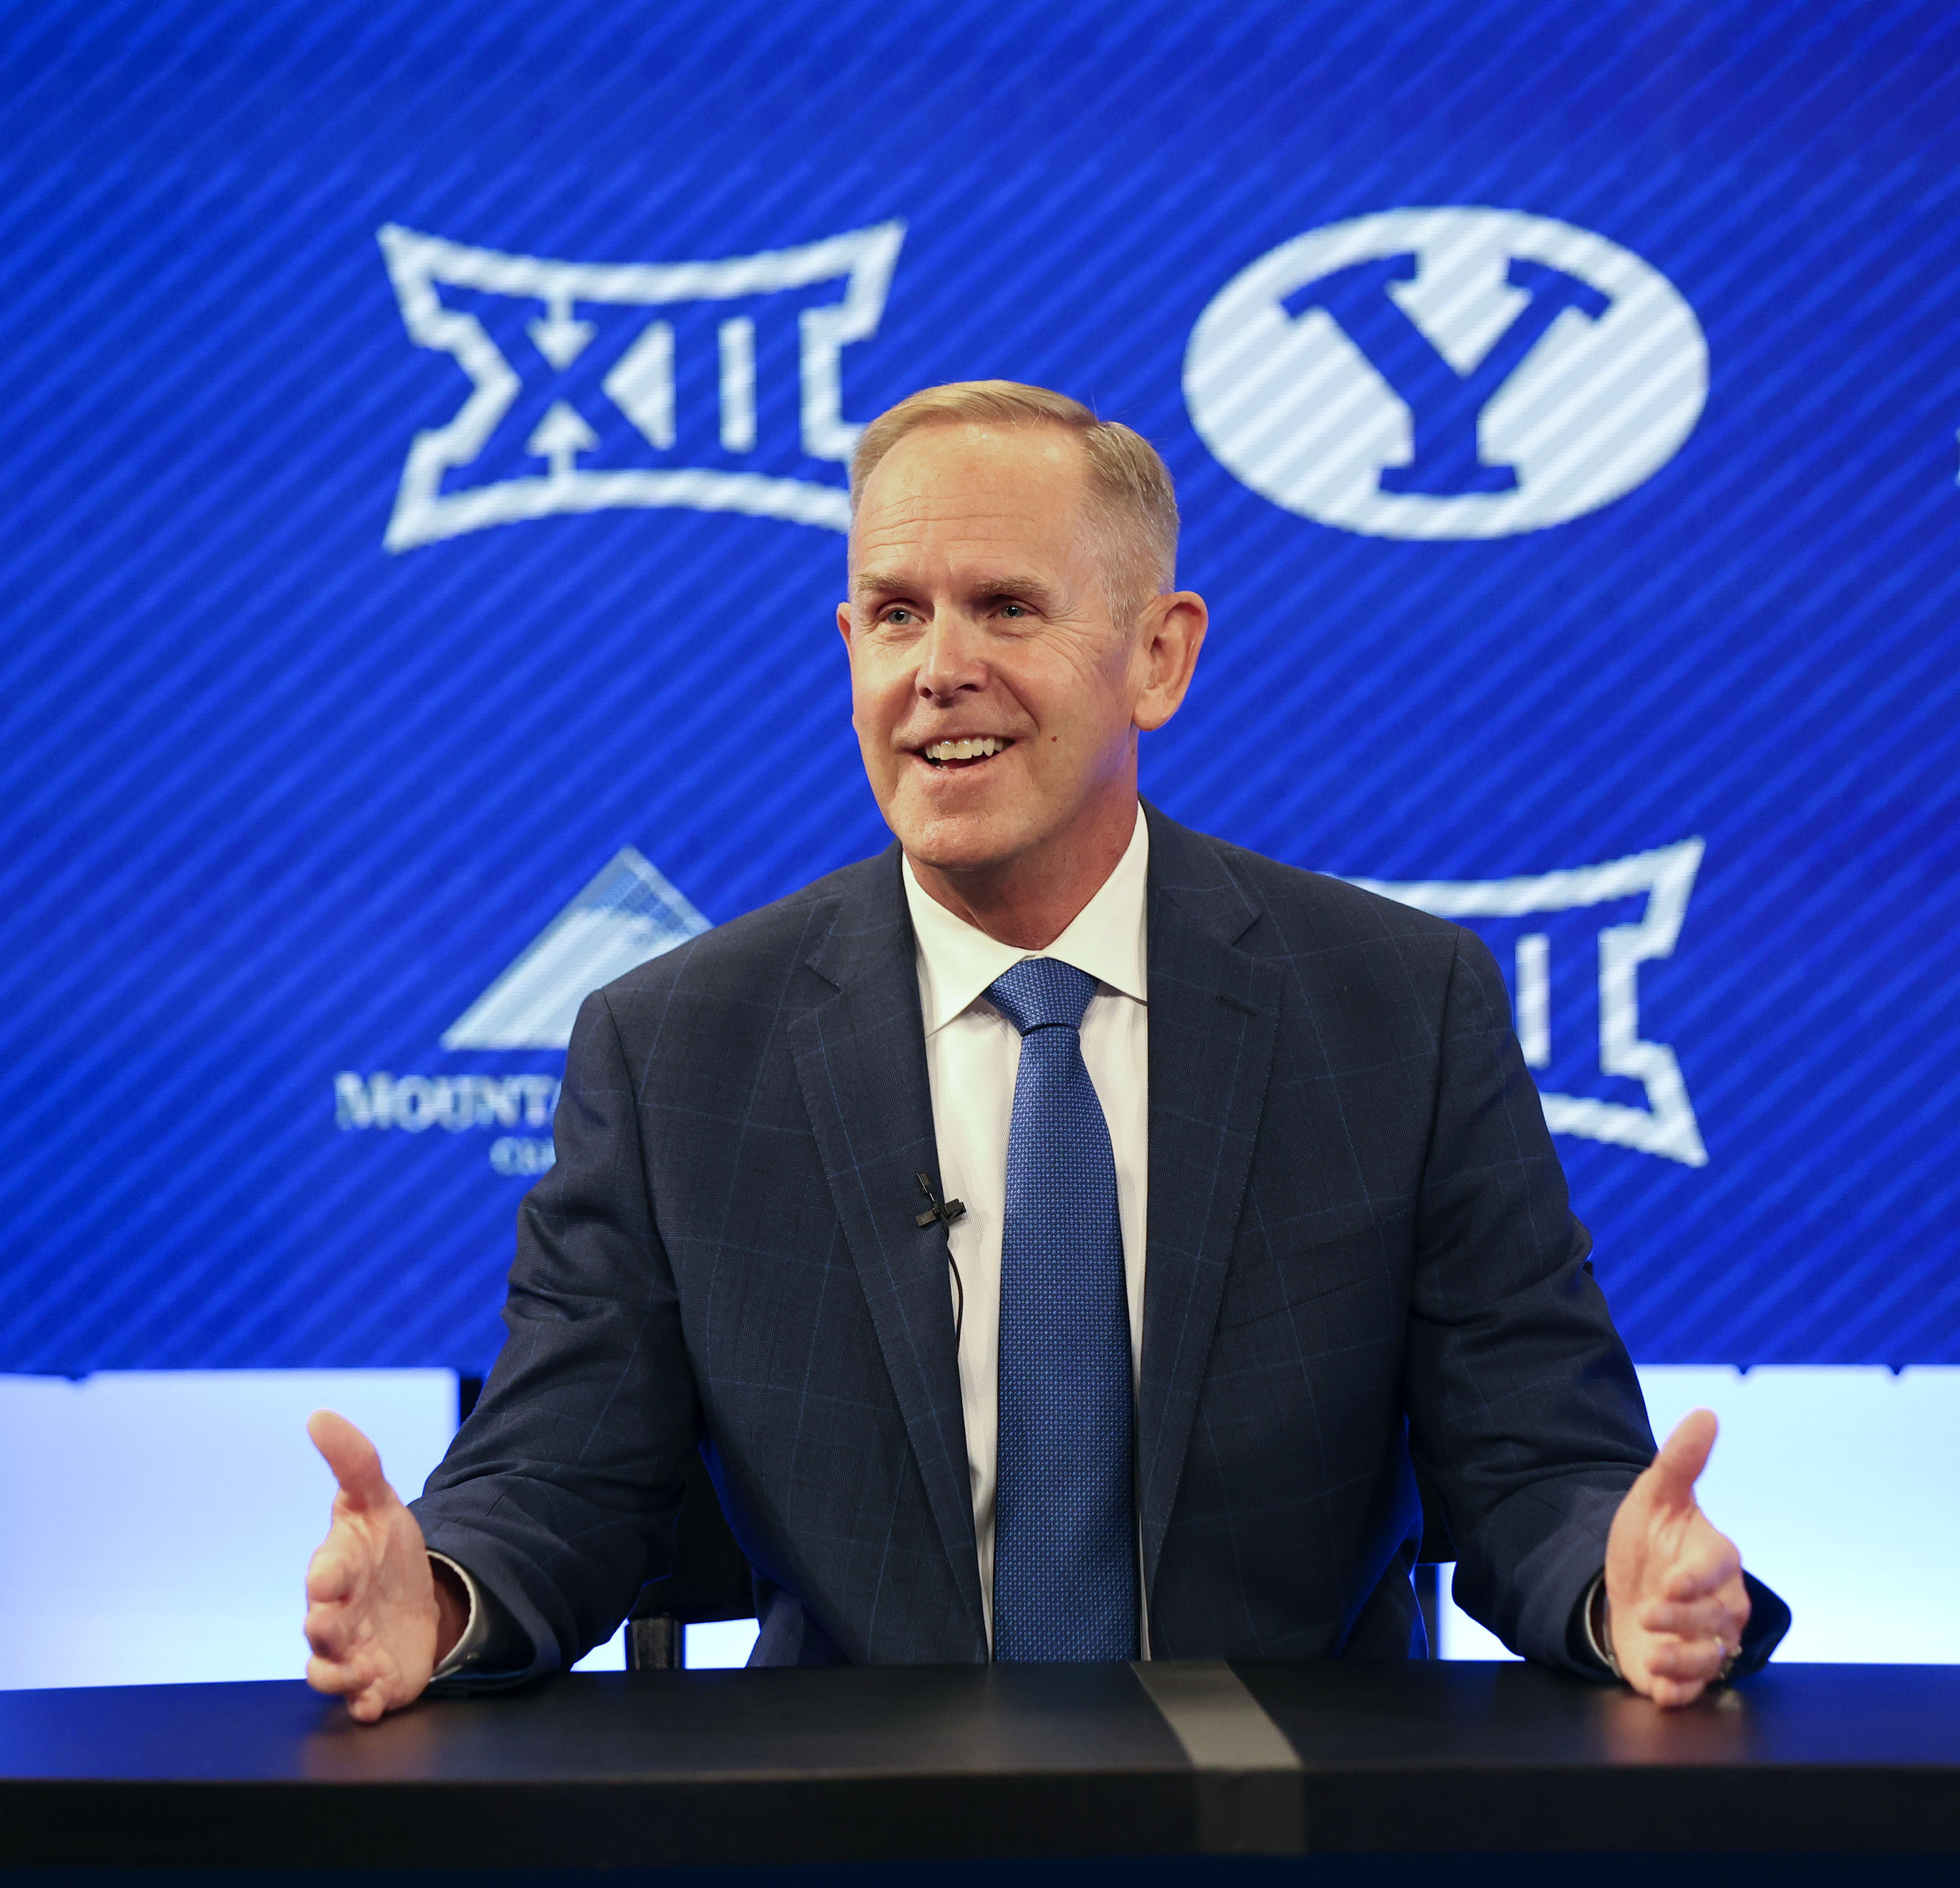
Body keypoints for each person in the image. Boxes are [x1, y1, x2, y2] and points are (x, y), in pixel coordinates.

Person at [303, 382, 1787, 1721]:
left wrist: (1626, 1590)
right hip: (857, 1825)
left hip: (1287, 1822)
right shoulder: (678, 1047)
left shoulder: (1399, 1009)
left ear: (1160, 657)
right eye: (895, 614)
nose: (939, 669)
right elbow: (560, 1470)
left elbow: (1535, 1459)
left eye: (1007, 607)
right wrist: (442, 1595)